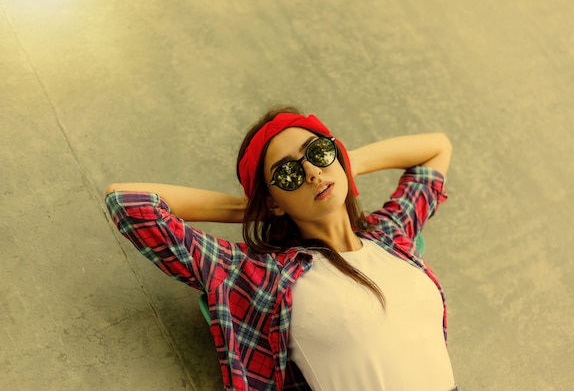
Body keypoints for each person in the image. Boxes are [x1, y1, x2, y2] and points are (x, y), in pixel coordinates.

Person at [105, 107, 456, 391]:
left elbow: (437, 148)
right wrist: (254, 207)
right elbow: (129, 203)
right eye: (288, 174)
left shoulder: (392, 235)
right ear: (273, 202)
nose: (312, 173)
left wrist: (345, 165)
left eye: (318, 153)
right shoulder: (264, 275)